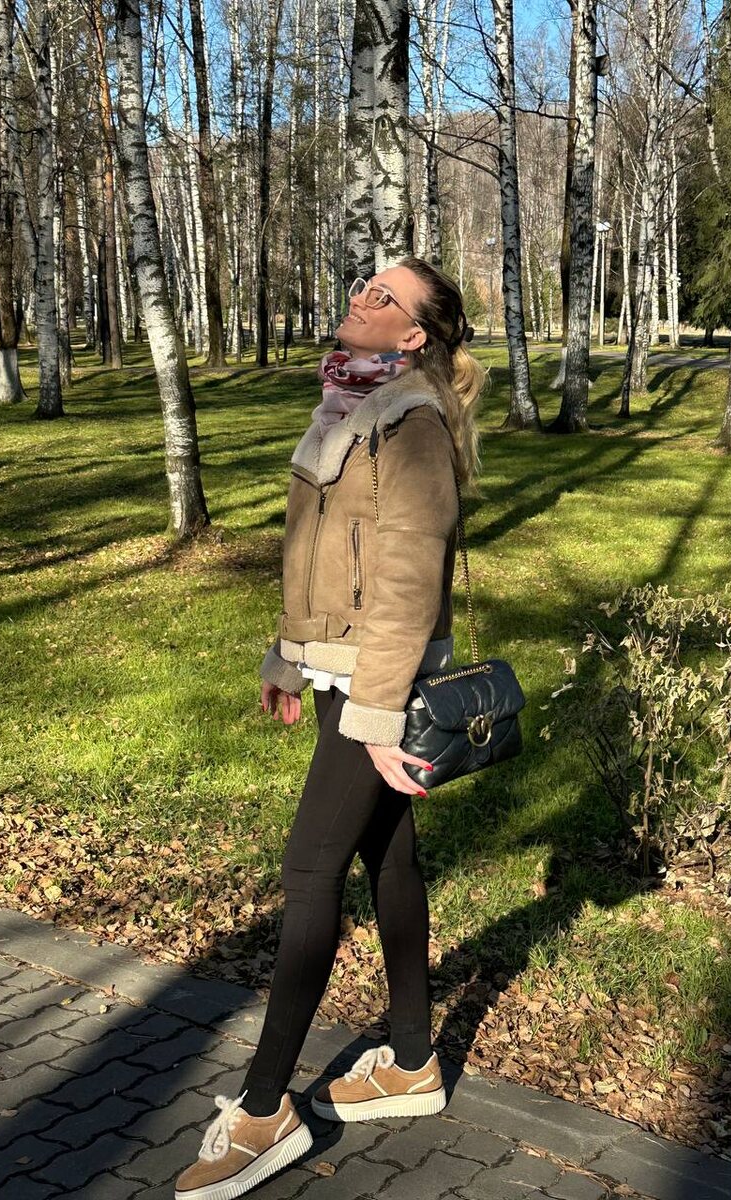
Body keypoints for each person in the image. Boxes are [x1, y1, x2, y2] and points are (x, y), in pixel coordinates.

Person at [175, 257, 484, 1200]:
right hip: (336, 666)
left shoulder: (413, 421)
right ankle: (413, 1062)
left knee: (311, 871)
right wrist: (287, 652)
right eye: (363, 285)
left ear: (414, 335)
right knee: (387, 857)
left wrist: (379, 715)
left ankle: (265, 1112)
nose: (362, 298)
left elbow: (408, 581)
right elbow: (318, 552)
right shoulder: (348, 404)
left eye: (384, 297)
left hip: (374, 678)